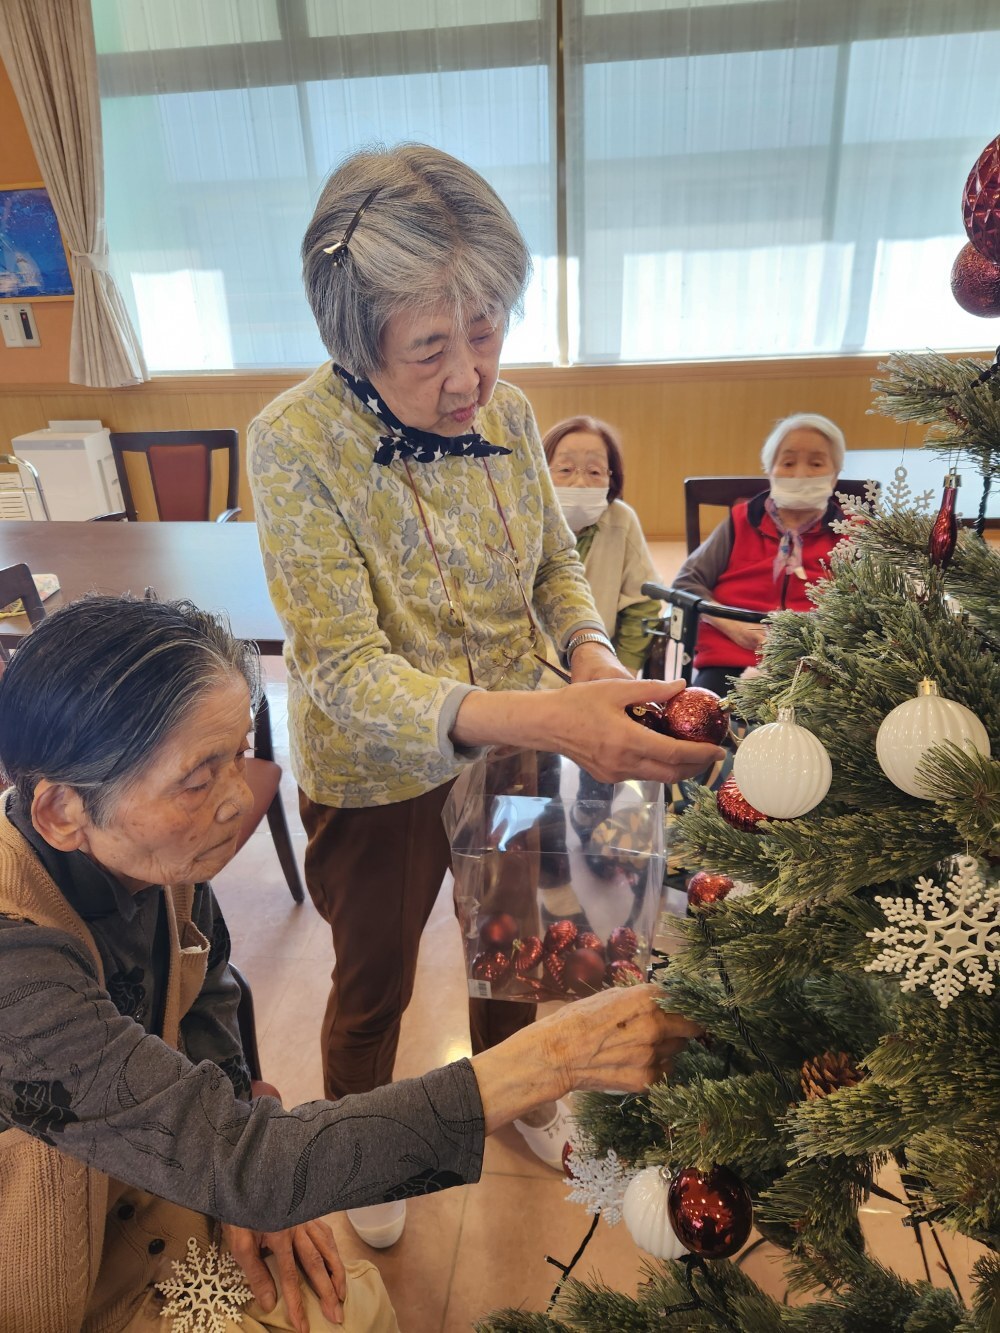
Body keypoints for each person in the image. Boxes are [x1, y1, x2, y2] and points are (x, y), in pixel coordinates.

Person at [247, 143, 724, 1243]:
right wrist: (552, 716)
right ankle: (361, 1145)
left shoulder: (509, 414)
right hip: (378, 773)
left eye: (487, 327)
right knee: (371, 984)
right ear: (351, 334)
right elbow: (341, 670)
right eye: (429, 345)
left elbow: (553, 565)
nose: (468, 374)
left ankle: (516, 1093)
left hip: (519, 743)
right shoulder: (294, 445)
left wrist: (591, 652)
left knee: (511, 943)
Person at [0, 595, 700, 1333]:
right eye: (199, 779)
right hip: (44, 1256)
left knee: (348, 1301)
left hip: (146, 1181)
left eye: (238, 753)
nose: (238, 799)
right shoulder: (17, 964)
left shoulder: (156, 854)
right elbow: (250, 1161)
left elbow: (206, 993)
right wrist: (554, 1056)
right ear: (60, 813)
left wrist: (245, 1143)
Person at [671, 412, 847, 697]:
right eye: (788, 462)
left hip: (815, 666)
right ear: (770, 470)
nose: (800, 473)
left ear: (835, 475)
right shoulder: (741, 521)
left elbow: (866, 606)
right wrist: (735, 627)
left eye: (816, 463)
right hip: (728, 659)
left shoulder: (849, 534)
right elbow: (686, 584)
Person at [542, 415, 662, 676]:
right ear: (540, 471)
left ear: (611, 478)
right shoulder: (519, 523)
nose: (580, 482)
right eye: (565, 470)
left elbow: (642, 604)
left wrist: (624, 669)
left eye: (594, 472)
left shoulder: (621, 520)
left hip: (597, 667)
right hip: (528, 673)